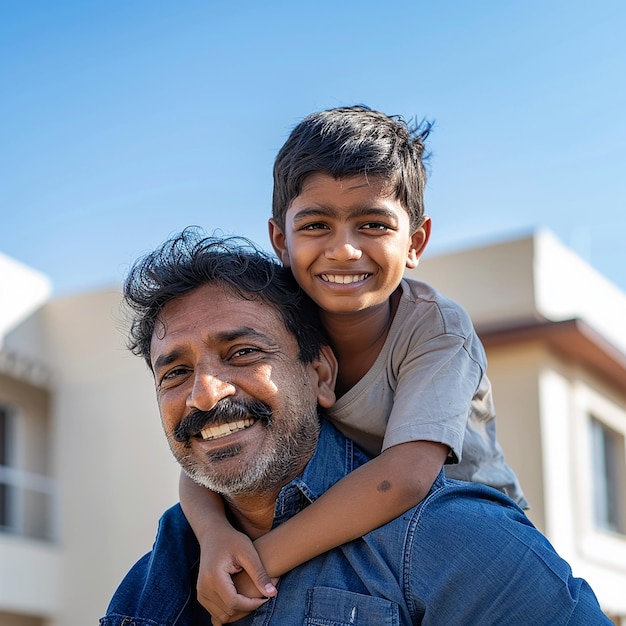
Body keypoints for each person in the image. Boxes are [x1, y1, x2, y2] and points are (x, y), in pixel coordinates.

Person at [101, 229, 610, 625]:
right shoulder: (160, 569)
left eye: (245, 353)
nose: (205, 393)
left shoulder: (457, 542)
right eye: (176, 372)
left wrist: (257, 560)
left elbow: (407, 475)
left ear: (321, 374)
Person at [181, 106, 529, 621]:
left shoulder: (437, 331)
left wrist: (255, 565)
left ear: (415, 243)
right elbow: (211, 446)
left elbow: (405, 478)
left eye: (372, 224)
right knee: (177, 533)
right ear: (282, 240)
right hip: (342, 514)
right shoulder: (279, 330)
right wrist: (214, 539)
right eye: (317, 225)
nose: (344, 250)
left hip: (461, 529)